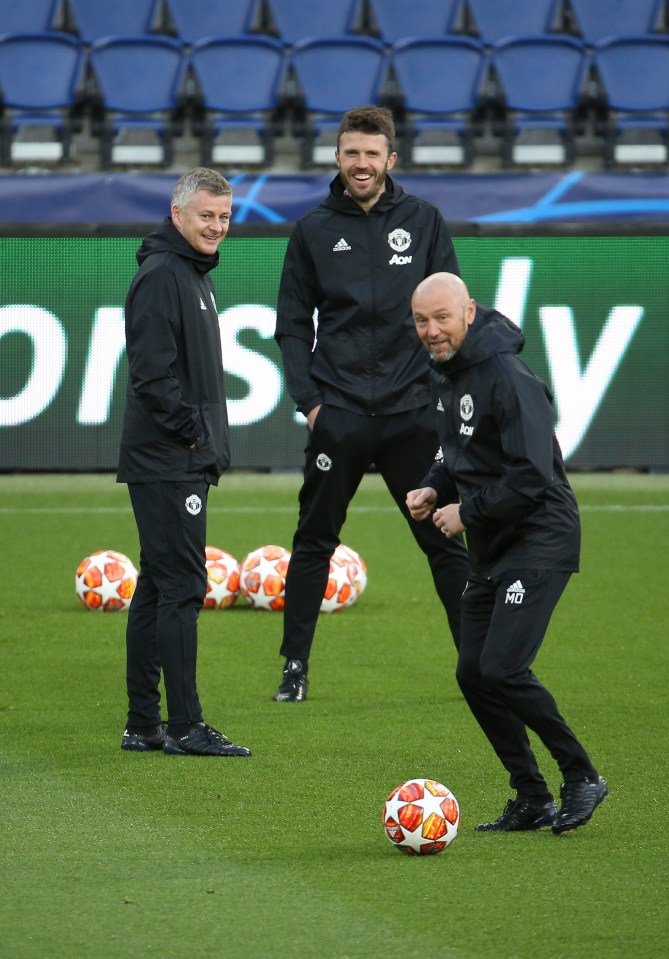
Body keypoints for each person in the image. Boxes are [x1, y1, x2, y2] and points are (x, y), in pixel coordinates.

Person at [272, 105, 469, 703]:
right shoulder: (311, 230)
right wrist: (311, 403)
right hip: (342, 415)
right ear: (337, 157)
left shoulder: (424, 220)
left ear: (391, 159)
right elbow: (290, 325)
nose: (362, 164)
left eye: (372, 153)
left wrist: (444, 395)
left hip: (412, 414)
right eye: (351, 153)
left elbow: (454, 313)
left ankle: (480, 664)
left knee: (442, 539)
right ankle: (294, 667)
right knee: (314, 541)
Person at [407, 272, 607, 834]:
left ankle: (581, 775)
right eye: (421, 321)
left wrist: (465, 513)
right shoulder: (443, 373)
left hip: (541, 537)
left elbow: (531, 473)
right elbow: (459, 453)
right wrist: (433, 486)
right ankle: (531, 796)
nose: (431, 331)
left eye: (441, 317)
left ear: (469, 311)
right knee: (474, 673)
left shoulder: (507, 376)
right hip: (495, 545)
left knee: (502, 667)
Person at [117, 167, 251, 758]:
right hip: (168, 460)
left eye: (224, 217)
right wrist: (195, 435)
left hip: (174, 458)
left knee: (156, 587)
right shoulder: (163, 276)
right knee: (181, 587)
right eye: (206, 216)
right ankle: (184, 726)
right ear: (178, 216)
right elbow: (151, 377)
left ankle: (144, 724)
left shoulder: (190, 274)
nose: (216, 227)